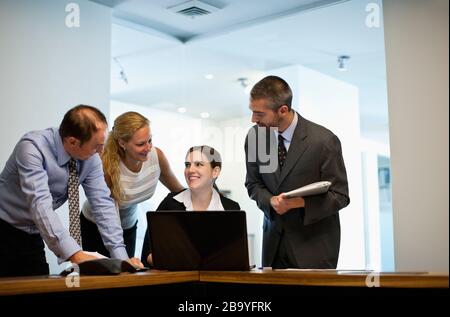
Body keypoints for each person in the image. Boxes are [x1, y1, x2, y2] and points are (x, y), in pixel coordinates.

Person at [0, 105, 143, 277]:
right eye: (96, 146)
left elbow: (103, 205)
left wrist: (122, 259)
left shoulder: (91, 159)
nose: (101, 152)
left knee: (38, 290)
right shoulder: (32, 149)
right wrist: (76, 255)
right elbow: (41, 207)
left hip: (33, 233)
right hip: (4, 227)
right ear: (73, 141)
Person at [244, 76, 350, 269]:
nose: (253, 120)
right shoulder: (255, 137)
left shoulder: (324, 141)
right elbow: (253, 184)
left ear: (283, 110)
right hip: (273, 246)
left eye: (259, 114)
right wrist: (270, 201)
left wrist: (299, 203)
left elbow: (340, 196)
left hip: (314, 247)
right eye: (252, 112)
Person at [80, 111, 184, 258]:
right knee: (102, 275)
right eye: (141, 144)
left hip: (128, 225)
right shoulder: (107, 165)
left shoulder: (156, 157)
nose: (148, 148)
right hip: (95, 226)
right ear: (122, 143)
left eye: (150, 140)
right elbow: (109, 219)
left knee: (124, 276)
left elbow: (179, 193)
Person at [141, 145, 240, 267]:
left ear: (215, 171)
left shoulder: (231, 208)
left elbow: (235, 258)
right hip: (176, 280)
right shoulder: (170, 203)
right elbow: (148, 252)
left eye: (198, 164)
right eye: (187, 165)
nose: (190, 170)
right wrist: (176, 262)